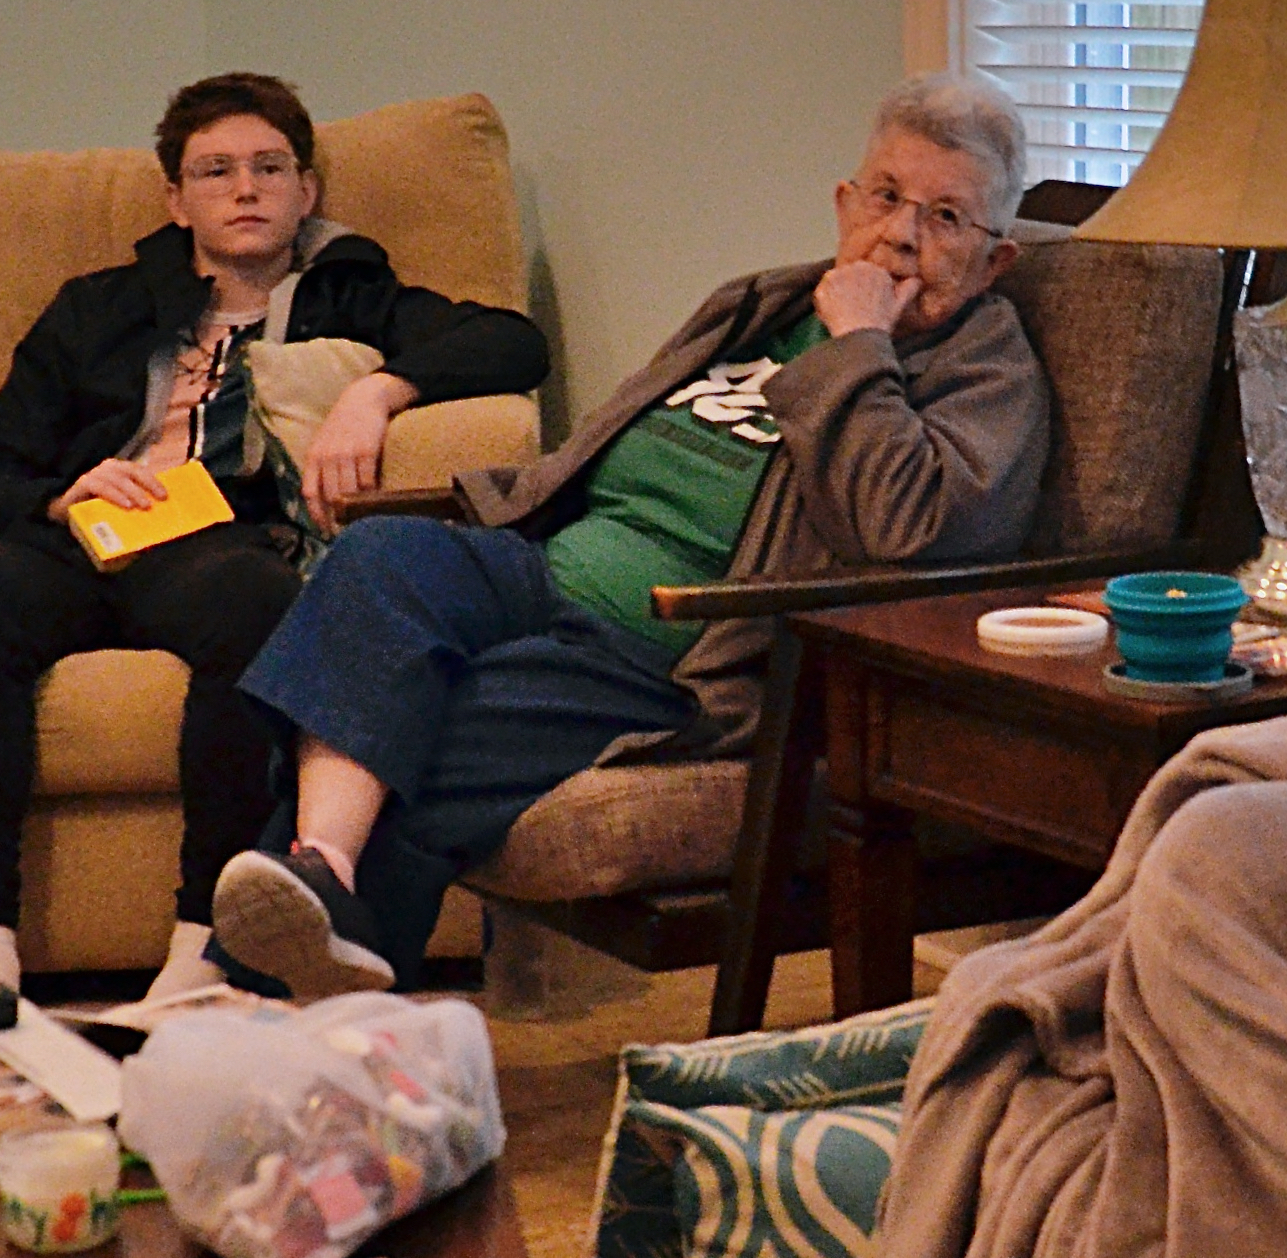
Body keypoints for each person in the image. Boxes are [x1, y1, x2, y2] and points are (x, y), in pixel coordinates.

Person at [204, 73, 1051, 998]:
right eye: (887, 197)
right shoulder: (760, 302)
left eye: (946, 218)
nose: (901, 234)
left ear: (994, 258)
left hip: (673, 647)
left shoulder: (985, 370)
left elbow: (909, 528)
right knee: (377, 555)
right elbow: (603, 438)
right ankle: (321, 873)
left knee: (416, 723)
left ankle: (252, 1001)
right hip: (544, 567)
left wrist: (857, 350)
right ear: (845, 203)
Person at [0, 71, 545, 999]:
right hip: (85, 533)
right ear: (176, 198)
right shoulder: (97, 305)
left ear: (305, 190)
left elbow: (511, 343)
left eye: (268, 167)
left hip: (216, 546)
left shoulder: (352, 292)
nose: (245, 189)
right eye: (215, 171)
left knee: (258, 603)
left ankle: (199, 952)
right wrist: (62, 492)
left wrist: (375, 390)